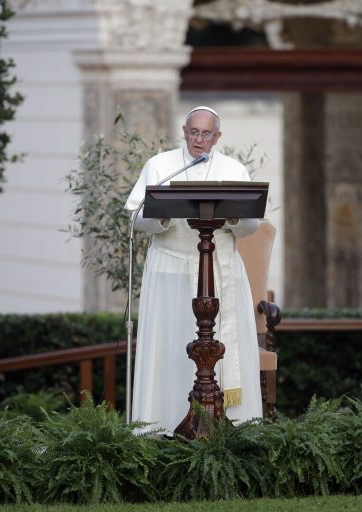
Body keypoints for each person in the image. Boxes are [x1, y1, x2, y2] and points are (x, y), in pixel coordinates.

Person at [125, 105, 262, 434]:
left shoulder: (234, 169)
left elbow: (250, 224)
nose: (198, 139)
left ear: (218, 136)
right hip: (170, 272)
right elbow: (134, 215)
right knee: (171, 353)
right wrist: (161, 213)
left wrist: (231, 215)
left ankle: (234, 430)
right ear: (184, 132)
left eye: (206, 133)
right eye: (193, 131)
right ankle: (162, 428)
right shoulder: (160, 166)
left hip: (220, 270)